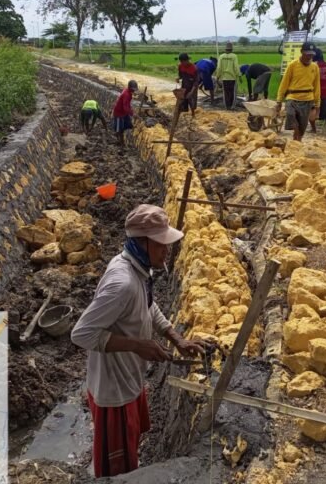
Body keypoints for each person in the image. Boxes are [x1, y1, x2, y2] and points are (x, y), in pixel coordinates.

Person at [71, 204, 207, 478]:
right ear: (141, 243)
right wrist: (137, 345)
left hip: (130, 379)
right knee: (118, 472)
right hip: (114, 393)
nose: (166, 251)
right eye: (161, 244)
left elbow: (148, 305)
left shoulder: (139, 269)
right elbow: (81, 333)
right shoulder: (122, 283)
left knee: (131, 450)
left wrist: (175, 337)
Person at [276, 42, 320, 141]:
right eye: (307, 54)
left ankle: (297, 141)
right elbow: (284, 83)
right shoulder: (293, 65)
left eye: (312, 55)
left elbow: (317, 87)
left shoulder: (314, 67)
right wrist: (279, 100)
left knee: (302, 127)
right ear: (302, 52)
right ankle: (295, 131)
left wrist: (317, 104)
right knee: (291, 115)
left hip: (307, 99)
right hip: (292, 97)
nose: (309, 56)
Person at [112, 80, 137, 147]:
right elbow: (125, 106)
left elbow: (127, 105)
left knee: (128, 125)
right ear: (129, 88)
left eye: (134, 89)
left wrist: (131, 111)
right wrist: (132, 113)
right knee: (119, 129)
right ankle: (120, 142)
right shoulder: (126, 94)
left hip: (124, 112)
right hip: (119, 113)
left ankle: (121, 138)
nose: (134, 91)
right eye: (133, 89)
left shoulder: (128, 93)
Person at [217, 42, 241, 109]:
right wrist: (239, 75)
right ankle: (232, 106)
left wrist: (217, 77)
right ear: (231, 49)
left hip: (224, 78)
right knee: (232, 92)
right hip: (232, 78)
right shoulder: (234, 56)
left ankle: (227, 106)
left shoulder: (221, 56)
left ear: (225, 49)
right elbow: (236, 67)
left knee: (226, 93)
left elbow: (219, 68)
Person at [176, 52, 198, 117]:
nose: (182, 63)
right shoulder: (180, 66)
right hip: (184, 85)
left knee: (191, 101)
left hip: (192, 87)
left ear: (187, 60)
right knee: (183, 100)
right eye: (180, 62)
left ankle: (193, 114)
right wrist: (178, 78)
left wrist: (191, 92)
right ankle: (183, 113)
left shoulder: (194, 68)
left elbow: (196, 82)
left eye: (182, 62)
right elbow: (180, 76)